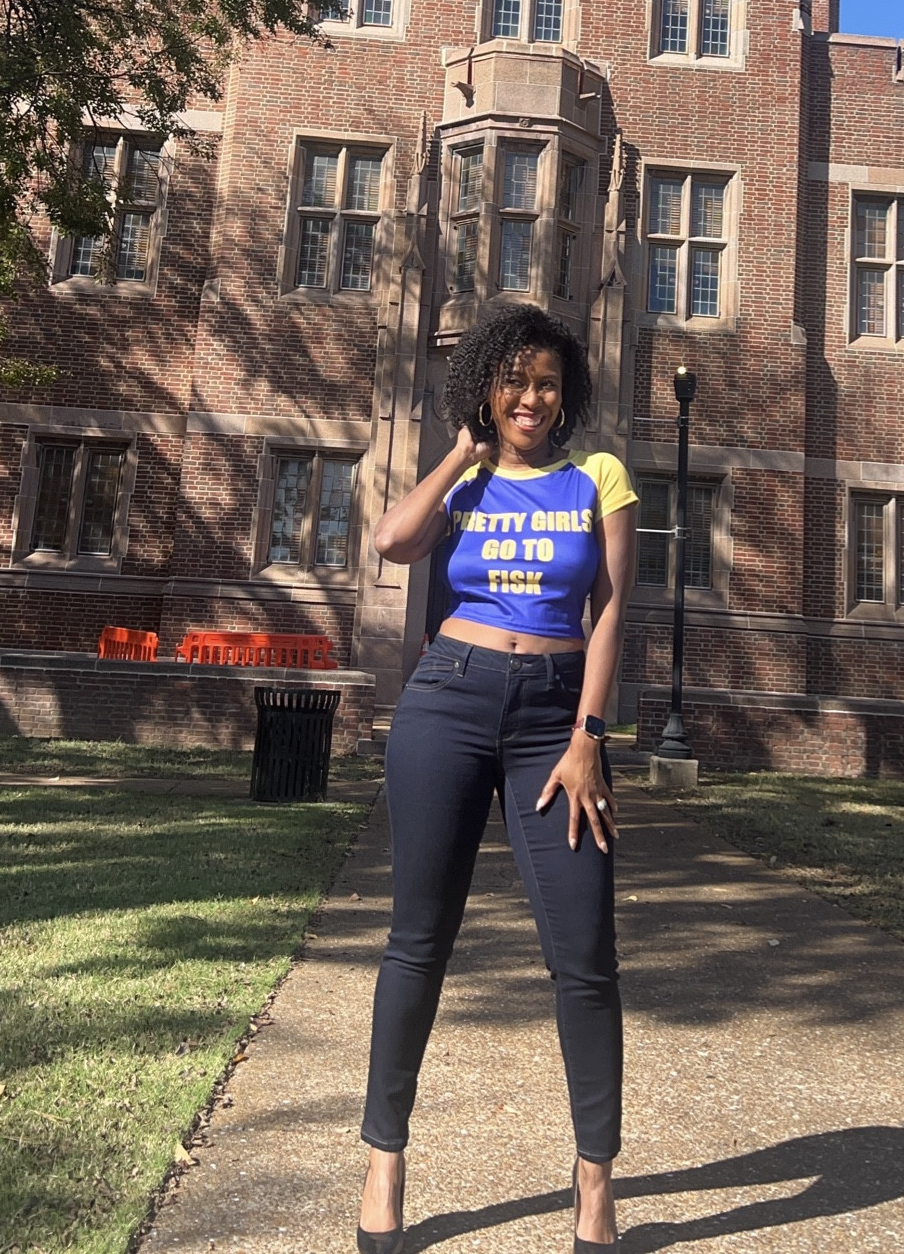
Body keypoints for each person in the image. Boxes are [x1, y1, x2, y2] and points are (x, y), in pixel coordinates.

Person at [357, 303, 638, 1253]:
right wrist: (459, 454)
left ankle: (594, 1182)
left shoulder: (597, 478)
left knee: (586, 956)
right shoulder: (468, 484)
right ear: (486, 389)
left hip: (555, 719)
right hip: (448, 699)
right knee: (416, 942)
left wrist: (588, 734)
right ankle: (385, 1160)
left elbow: (609, 612)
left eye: (547, 383)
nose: (531, 397)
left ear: (567, 395)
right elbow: (392, 543)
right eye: (513, 381)